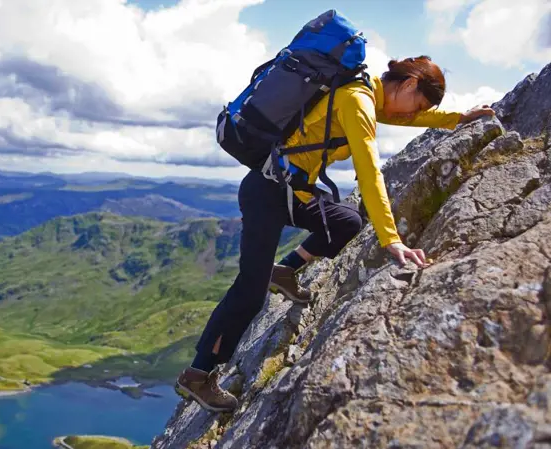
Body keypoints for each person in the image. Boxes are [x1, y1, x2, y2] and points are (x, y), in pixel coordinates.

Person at [175, 55, 496, 412]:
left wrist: (456, 119)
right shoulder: (357, 101)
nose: (412, 112)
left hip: (292, 191)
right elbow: (369, 171)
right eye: (417, 102)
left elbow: (401, 115)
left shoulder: (364, 94)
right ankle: (198, 375)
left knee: (346, 221)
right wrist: (391, 239)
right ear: (407, 85)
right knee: (250, 292)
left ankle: (285, 270)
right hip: (267, 193)